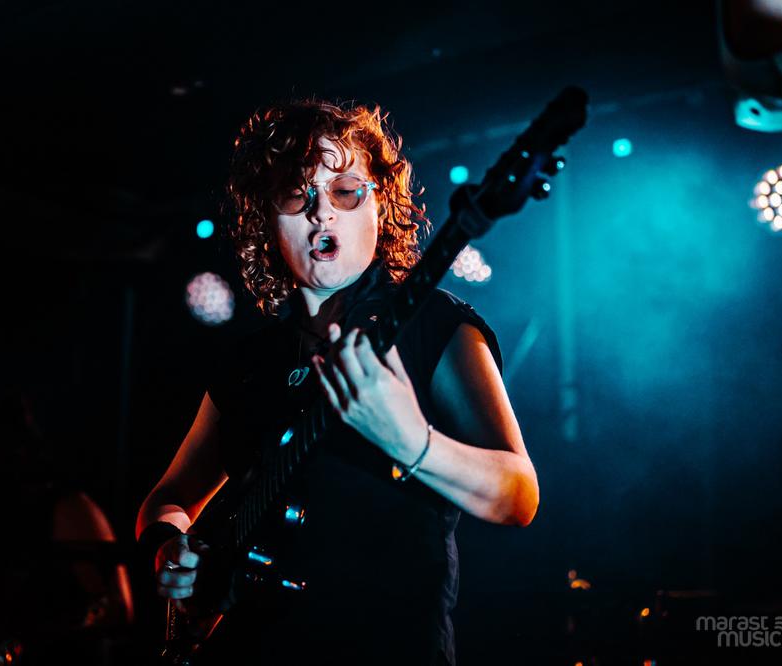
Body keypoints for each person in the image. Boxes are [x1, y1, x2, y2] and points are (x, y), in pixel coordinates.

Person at [136, 99, 539, 665]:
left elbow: (518, 494)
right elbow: (170, 498)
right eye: (296, 195)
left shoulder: (434, 325)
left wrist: (413, 443)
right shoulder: (247, 362)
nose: (321, 212)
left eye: (346, 191)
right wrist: (169, 548)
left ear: (381, 206)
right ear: (267, 220)